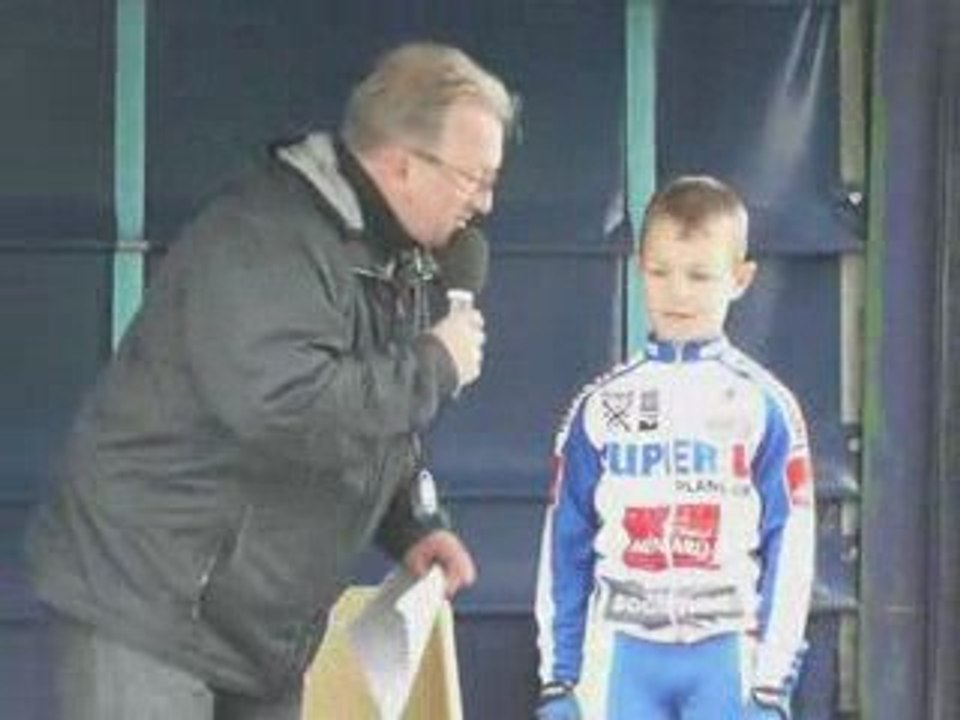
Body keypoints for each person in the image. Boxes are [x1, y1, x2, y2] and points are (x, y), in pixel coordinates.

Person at [25, 42, 515, 720]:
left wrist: (411, 523)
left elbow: (369, 407)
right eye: (475, 178)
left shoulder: (388, 256)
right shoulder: (270, 239)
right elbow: (289, 408)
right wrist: (434, 365)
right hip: (152, 604)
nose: (484, 203)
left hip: (255, 634)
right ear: (405, 162)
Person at [533, 176, 816, 720]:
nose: (677, 292)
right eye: (660, 272)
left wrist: (772, 683)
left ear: (741, 278)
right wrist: (558, 679)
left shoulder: (766, 405)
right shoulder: (600, 404)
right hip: (619, 653)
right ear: (640, 268)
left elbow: (792, 545)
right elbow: (564, 545)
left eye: (699, 275)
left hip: (727, 654)